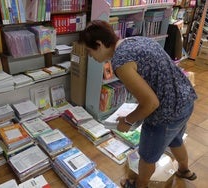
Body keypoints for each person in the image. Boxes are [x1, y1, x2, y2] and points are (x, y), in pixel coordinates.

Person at [79, 20, 197, 188]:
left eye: (90, 51)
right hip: (185, 100)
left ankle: (139, 185)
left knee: (147, 156)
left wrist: (127, 121)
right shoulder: (137, 40)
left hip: (166, 113)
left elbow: (151, 103)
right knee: (175, 139)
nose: (91, 56)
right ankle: (185, 170)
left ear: (99, 44)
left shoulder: (120, 62)